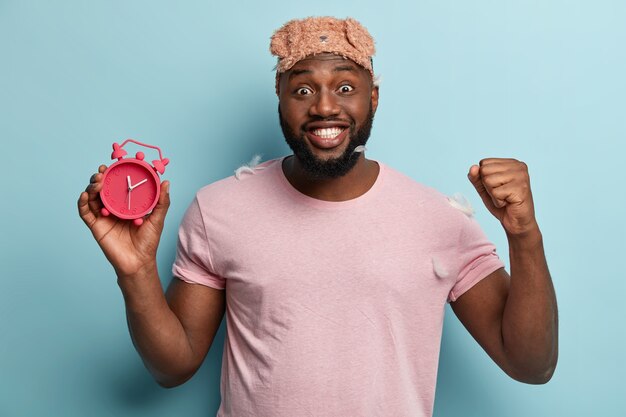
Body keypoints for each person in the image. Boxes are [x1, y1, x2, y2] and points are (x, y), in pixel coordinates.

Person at [78, 16, 558, 417]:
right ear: (280, 98)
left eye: (345, 86)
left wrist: (524, 234)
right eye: (303, 89)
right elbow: (172, 368)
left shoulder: (439, 219)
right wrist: (137, 273)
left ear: (373, 97)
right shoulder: (219, 209)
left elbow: (531, 365)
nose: (325, 106)